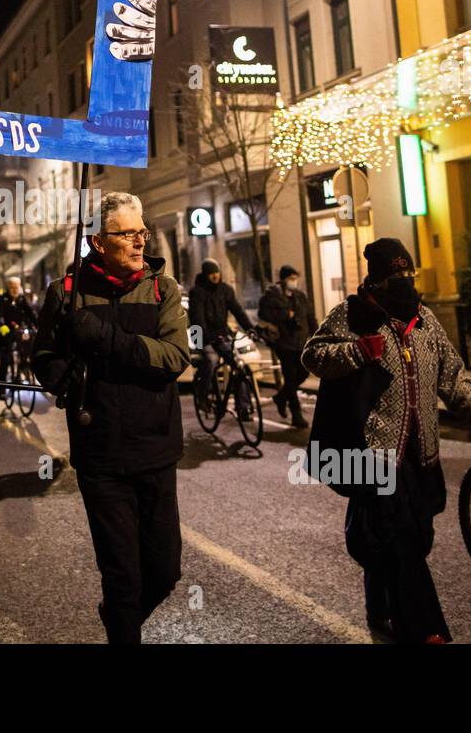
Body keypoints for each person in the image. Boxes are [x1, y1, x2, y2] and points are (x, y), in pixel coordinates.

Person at [302, 238, 471, 644]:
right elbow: (313, 355)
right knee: (402, 543)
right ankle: (426, 630)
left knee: (416, 539)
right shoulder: (352, 315)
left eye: (409, 275)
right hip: (373, 452)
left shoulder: (425, 320)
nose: (405, 284)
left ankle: (379, 602)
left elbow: (452, 376)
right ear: (375, 281)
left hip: (421, 453)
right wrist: (357, 351)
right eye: (396, 277)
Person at [32, 191, 191, 644]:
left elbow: (175, 356)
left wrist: (103, 337)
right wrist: (63, 378)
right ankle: (122, 626)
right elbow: (42, 356)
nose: (140, 241)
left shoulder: (163, 288)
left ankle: (119, 616)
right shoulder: (66, 293)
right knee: (122, 578)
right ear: (98, 242)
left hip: (155, 450)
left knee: (164, 572)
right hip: (100, 457)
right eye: (127, 233)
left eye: (142, 231)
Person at [187, 258, 259, 409]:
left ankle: (244, 407)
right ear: (205, 275)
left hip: (221, 334)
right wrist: (205, 339)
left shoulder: (225, 290)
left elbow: (237, 310)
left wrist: (249, 328)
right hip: (201, 335)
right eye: (211, 274)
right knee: (211, 359)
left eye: (217, 273)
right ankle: (202, 395)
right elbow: (197, 318)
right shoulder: (197, 292)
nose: (215, 276)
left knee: (238, 366)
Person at [258, 265, 317, 428]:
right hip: (283, 343)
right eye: (291, 278)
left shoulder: (300, 296)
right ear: (283, 280)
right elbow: (264, 315)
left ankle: (281, 397)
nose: (294, 281)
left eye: (295, 278)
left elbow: (310, 317)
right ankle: (296, 415)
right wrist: (285, 315)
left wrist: (317, 335)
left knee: (304, 373)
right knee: (290, 378)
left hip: (300, 343)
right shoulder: (272, 296)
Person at [0, 275, 37, 401]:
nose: (14, 289)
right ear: (8, 287)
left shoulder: (22, 299)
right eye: (12, 287)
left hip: (18, 331)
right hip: (6, 332)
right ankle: (1, 390)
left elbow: (30, 313)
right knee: (5, 360)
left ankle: (20, 375)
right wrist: (2, 327)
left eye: (16, 287)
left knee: (25, 351)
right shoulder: (3, 299)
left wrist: (37, 325)